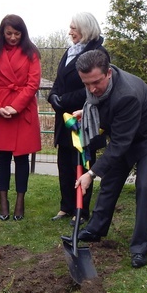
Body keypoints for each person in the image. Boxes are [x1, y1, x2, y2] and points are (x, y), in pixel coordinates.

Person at [61, 49, 147, 269]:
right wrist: (86, 112)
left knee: (144, 186)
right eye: (86, 84)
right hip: (128, 130)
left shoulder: (126, 94)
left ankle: (139, 248)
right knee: (111, 178)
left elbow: (120, 144)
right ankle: (96, 229)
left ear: (109, 73)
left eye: (96, 82)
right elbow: (101, 105)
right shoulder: (96, 88)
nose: (91, 89)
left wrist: (90, 174)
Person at [48, 12, 109, 225]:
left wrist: (63, 100)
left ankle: (81, 210)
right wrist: (53, 97)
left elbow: (91, 88)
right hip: (64, 119)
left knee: (82, 164)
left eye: (74, 28)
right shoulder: (70, 51)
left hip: (83, 118)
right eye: (70, 27)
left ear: (85, 28)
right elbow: (59, 80)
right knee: (64, 164)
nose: (70, 31)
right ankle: (65, 207)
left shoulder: (98, 53)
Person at [0, 14, 42, 221]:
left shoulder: (32, 53)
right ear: (2, 32)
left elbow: (33, 84)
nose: (13, 37)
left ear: (23, 33)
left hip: (22, 110)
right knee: (3, 157)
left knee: (22, 158)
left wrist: (15, 107)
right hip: (0, 111)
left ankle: (20, 201)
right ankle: (3, 200)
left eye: (17, 33)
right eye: (9, 33)